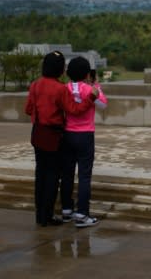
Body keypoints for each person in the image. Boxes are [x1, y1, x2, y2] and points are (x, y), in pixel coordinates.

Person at [24, 50, 96, 227]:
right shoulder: (59, 89)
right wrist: (91, 98)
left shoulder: (35, 85)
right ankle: (47, 216)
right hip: (54, 135)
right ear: (60, 70)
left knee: (40, 174)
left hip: (37, 133)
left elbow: (28, 109)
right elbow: (75, 110)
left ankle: (39, 216)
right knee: (52, 176)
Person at [60, 56, 107, 228]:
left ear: (68, 73)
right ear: (88, 73)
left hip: (67, 135)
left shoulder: (64, 89)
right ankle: (82, 214)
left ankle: (66, 210)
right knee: (84, 176)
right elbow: (103, 105)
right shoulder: (90, 89)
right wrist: (97, 86)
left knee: (67, 173)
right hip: (85, 135)